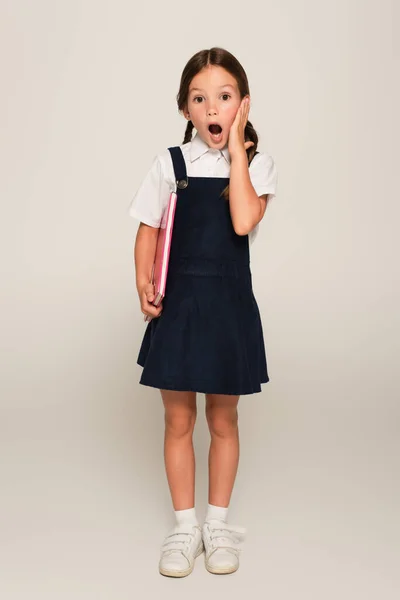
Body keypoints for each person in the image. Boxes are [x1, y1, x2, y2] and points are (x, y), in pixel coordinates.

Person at [128, 47, 277, 577]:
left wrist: (238, 150)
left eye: (224, 96)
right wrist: (143, 280)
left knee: (222, 418)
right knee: (177, 418)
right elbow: (148, 226)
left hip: (229, 306)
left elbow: (241, 222)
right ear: (186, 108)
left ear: (242, 104)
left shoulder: (257, 166)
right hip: (181, 305)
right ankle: (185, 525)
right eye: (199, 98)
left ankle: (217, 525)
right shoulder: (170, 163)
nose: (212, 107)